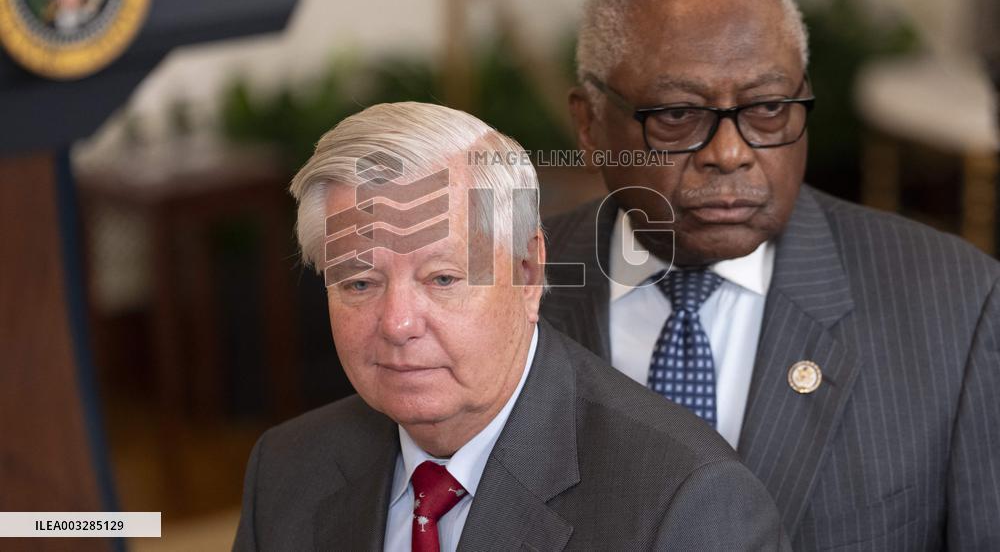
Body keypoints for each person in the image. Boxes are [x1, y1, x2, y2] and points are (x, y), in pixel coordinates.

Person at [540, 0, 1000, 550]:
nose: (730, 153)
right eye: (678, 114)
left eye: (768, 108)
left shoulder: (958, 307)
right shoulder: (510, 292)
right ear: (590, 123)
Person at [233, 102, 789, 551]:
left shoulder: (683, 503)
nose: (398, 323)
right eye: (359, 284)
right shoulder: (286, 469)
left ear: (528, 273)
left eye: (443, 278)